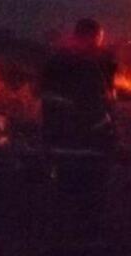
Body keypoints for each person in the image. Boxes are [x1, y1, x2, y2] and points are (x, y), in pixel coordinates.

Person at [41, 18, 117, 242]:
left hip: (60, 148)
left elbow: (49, 107)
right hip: (88, 149)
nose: (99, 47)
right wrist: (110, 136)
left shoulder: (54, 65)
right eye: (97, 41)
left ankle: (64, 249)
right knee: (89, 204)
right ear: (91, 38)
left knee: (65, 200)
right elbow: (95, 112)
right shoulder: (86, 68)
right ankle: (87, 252)